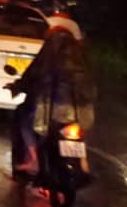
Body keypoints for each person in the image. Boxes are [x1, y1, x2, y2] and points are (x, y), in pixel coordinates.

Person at [7, 25, 95, 175]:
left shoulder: (46, 58)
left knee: (24, 120)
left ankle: (34, 159)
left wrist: (17, 87)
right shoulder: (83, 61)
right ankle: (83, 161)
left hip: (49, 111)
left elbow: (30, 77)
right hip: (81, 112)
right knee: (81, 130)